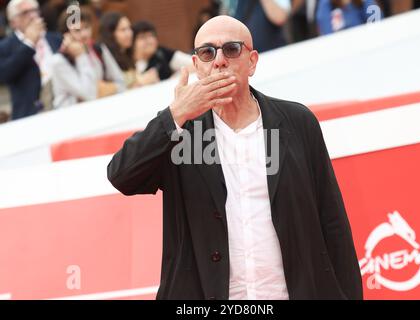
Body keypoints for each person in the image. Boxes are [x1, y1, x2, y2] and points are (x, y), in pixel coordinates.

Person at [107, 15, 363, 300]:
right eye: (207, 52)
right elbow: (122, 175)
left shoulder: (296, 122)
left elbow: (332, 221)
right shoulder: (182, 133)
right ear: (196, 66)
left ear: (252, 61)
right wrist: (175, 114)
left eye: (231, 49)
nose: (219, 60)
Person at [0, 0, 61, 120]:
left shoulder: (55, 38)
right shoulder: (5, 46)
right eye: (25, 13)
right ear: (13, 22)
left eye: (35, 10)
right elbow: (4, 75)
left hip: (62, 107)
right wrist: (29, 44)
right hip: (30, 115)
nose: (33, 15)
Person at [51, 9, 124, 108]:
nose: (84, 34)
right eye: (77, 30)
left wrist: (108, 88)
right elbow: (90, 94)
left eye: (86, 27)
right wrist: (81, 56)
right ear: (66, 35)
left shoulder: (98, 49)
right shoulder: (59, 61)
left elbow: (121, 83)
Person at [99, 12, 153, 89]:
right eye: (123, 30)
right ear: (110, 34)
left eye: (129, 28)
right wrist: (141, 81)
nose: (129, 33)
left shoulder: (127, 54)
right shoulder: (105, 57)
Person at [316, 0, 382, 35]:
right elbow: (327, 33)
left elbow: (378, 20)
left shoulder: (364, 2)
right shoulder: (326, 4)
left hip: (365, 41)